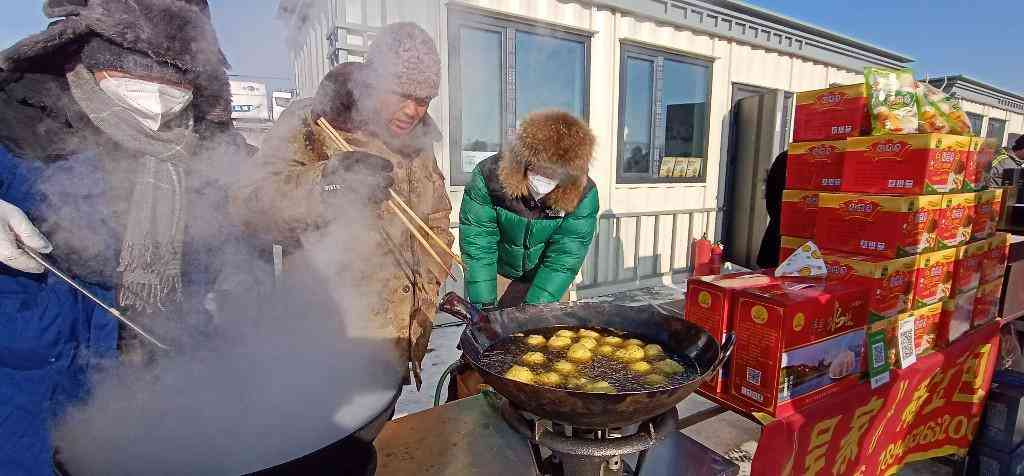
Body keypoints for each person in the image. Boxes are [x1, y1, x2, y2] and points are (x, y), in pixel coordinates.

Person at [0, 0, 245, 474]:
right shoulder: (19, 120)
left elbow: (247, 228)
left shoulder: (207, 153)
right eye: (134, 72)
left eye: (175, 80)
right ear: (87, 53)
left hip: (153, 404)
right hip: (29, 413)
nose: (157, 95)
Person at [232, 22, 452, 473]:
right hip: (330, 337)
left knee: (367, 442)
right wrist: (327, 183)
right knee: (320, 450)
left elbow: (436, 215)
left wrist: (432, 276)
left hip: (395, 336)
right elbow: (249, 205)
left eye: (424, 99)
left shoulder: (418, 146)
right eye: (401, 93)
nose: (413, 110)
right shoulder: (315, 122)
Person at [449, 110, 599, 400]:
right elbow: (479, 243)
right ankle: (465, 409)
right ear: (525, 158)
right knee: (481, 349)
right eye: (540, 168)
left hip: (548, 277)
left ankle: (534, 414)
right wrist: (484, 306)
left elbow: (565, 256)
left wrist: (532, 313)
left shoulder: (582, 192)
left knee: (545, 352)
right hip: (500, 272)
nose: (545, 179)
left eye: (556, 173)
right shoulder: (490, 177)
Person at [757, 150, 788, 269]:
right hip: (778, 242)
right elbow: (771, 195)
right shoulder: (786, 158)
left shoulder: (784, 157)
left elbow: (770, 197)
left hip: (775, 238)